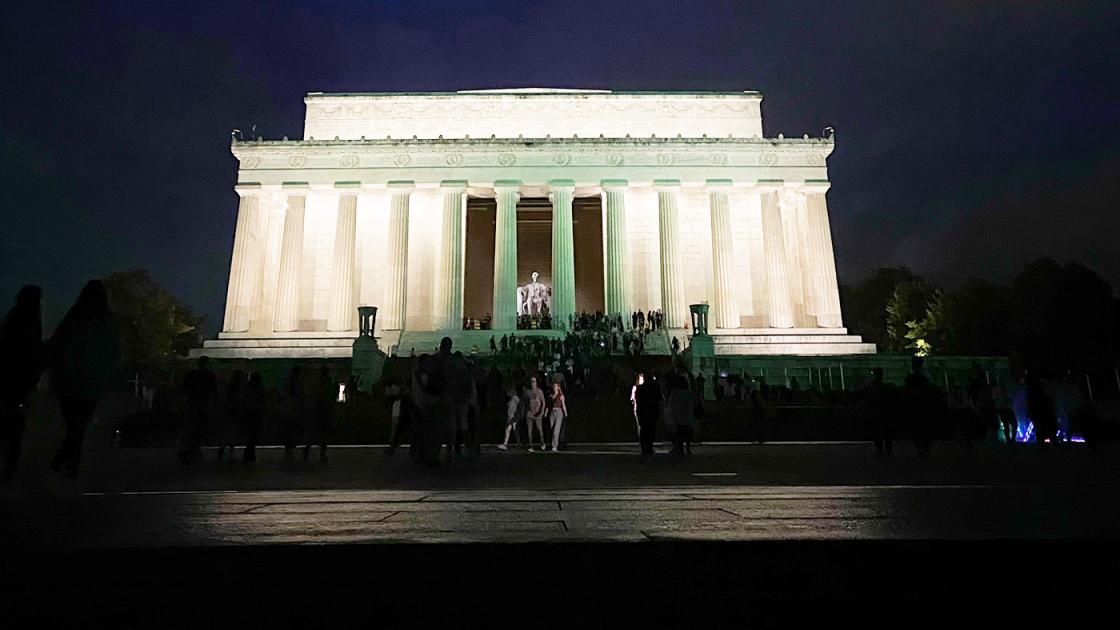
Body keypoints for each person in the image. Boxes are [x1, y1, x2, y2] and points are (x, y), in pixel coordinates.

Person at [47, 280, 121, 478]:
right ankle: (66, 470)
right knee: (77, 430)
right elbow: (114, 352)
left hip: (71, 384)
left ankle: (62, 468)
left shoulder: (72, 321)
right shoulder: (104, 323)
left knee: (75, 430)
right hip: (87, 385)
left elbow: (56, 349)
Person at [0, 285, 44, 480]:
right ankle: (9, 471)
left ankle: (8, 470)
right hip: (19, 382)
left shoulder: (14, 318)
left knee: (10, 426)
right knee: (15, 428)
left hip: (11, 380)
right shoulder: (30, 321)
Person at [180, 355, 219, 465]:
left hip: (194, 404)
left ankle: (192, 449)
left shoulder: (192, 375)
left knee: (192, 428)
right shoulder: (209, 375)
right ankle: (194, 449)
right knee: (198, 428)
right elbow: (214, 391)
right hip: (202, 404)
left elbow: (184, 388)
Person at [306, 366, 334, 462]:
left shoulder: (317, 384)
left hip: (319, 409)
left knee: (316, 433)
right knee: (323, 434)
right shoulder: (327, 384)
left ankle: (308, 449)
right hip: (324, 409)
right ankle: (322, 454)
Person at [217, 369, 244, 461]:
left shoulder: (230, 391)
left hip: (229, 411)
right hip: (233, 411)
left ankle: (222, 449)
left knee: (226, 430)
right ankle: (229, 448)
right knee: (232, 430)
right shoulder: (239, 390)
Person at [634, 372, 662, 455]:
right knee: (651, 429)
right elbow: (659, 399)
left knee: (644, 429)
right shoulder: (655, 388)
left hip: (643, 411)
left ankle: (644, 447)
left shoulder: (640, 388)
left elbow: (638, 401)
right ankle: (649, 446)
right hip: (652, 411)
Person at [283, 365, 306, 462]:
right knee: (294, 428)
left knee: (290, 428)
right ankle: (291, 446)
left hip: (290, 408)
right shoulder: (297, 385)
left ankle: (289, 446)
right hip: (294, 408)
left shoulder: (289, 385)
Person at [241, 371, 266, 463]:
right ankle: (250, 453)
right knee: (254, 434)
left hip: (250, 413)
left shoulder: (248, 389)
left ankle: (249, 453)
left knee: (251, 434)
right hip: (256, 413)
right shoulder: (260, 389)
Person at [524, 376, 546, 451]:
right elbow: (524, 402)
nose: (532, 383)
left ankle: (542, 443)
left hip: (537, 414)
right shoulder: (527, 392)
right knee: (529, 430)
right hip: (529, 414)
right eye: (531, 381)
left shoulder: (539, 391)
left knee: (539, 429)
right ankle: (530, 446)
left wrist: (542, 412)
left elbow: (543, 402)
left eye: (534, 381)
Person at [498, 386, 521, 450]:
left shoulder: (514, 398)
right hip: (511, 416)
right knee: (512, 430)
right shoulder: (511, 399)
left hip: (513, 417)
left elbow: (516, 408)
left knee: (510, 429)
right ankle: (508, 443)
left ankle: (506, 444)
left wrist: (514, 416)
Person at [548, 382, 568, 452]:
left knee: (556, 430)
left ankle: (554, 446)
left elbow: (563, 404)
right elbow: (551, 400)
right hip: (552, 412)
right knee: (552, 428)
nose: (554, 387)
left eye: (555, 386)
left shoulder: (561, 395)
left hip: (559, 412)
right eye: (553, 386)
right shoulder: (551, 394)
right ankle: (554, 443)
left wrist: (565, 413)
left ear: (558, 387)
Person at [629, 373, 644, 441]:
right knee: (639, 425)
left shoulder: (646, 389)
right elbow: (632, 398)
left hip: (645, 408)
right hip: (637, 408)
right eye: (641, 379)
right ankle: (641, 438)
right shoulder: (635, 388)